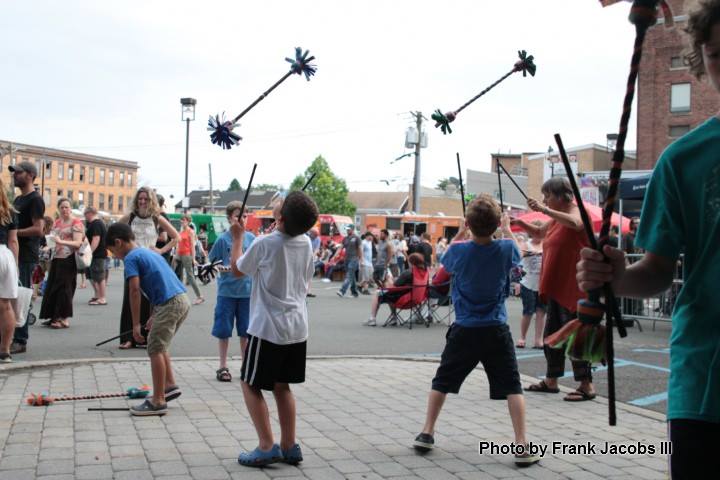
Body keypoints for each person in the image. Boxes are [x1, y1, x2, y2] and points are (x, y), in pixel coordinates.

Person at [578, 4, 719, 477]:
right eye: (717, 54)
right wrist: (617, 277)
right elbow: (657, 272)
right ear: (701, 60)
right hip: (706, 384)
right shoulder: (682, 160)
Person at [413, 196, 539, 467]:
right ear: (496, 224)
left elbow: (444, 262)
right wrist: (506, 228)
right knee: (513, 386)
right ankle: (521, 444)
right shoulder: (505, 247)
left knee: (442, 381)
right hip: (496, 327)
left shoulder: (458, 251)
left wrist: (460, 231)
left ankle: (427, 431)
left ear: (469, 223)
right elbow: (517, 254)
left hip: (465, 328)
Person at [230, 191, 318, 467]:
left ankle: (267, 445)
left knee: (249, 382)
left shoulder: (264, 243)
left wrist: (237, 239)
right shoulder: (305, 242)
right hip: (296, 327)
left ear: (279, 218)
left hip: (268, 327)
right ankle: (290, 445)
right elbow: (305, 278)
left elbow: (237, 269)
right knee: (283, 386)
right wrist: (274, 233)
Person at [513, 177, 594, 402]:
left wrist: (545, 210)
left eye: (547, 195)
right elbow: (539, 234)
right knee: (552, 336)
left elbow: (576, 224)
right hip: (558, 286)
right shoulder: (557, 219)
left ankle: (586, 385)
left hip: (575, 287)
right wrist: (517, 222)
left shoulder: (577, 212)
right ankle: (551, 380)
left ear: (561, 196)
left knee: (575, 336)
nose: (544, 199)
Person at [106, 222, 189, 416]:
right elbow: (159, 282)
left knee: (155, 348)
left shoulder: (131, 258)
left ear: (118, 243)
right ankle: (169, 385)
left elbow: (134, 291)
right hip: (180, 300)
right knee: (161, 344)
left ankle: (158, 400)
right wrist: (154, 314)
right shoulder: (148, 252)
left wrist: (135, 324)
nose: (113, 255)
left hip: (170, 304)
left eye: (112, 251)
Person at [118, 187, 178, 349]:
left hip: (150, 263)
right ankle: (129, 337)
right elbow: (115, 231)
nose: (142, 202)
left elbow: (175, 237)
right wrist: (122, 250)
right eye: (140, 199)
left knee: (150, 301)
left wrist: (160, 250)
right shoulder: (130, 217)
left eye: (145, 199)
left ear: (151, 200)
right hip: (132, 261)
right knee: (130, 298)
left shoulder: (157, 218)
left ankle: (146, 337)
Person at [208, 202, 255, 382]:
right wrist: (222, 268)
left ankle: (245, 365)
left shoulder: (251, 238)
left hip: (247, 293)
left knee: (246, 331)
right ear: (229, 219)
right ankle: (222, 365)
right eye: (237, 216)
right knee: (224, 329)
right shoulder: (222, 240)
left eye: (244, 216)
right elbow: (212, 263)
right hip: (226, 292)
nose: (241, 219)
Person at [8, 161, 45, 354]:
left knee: (20, 296)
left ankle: (20, 340)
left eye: (18, 172)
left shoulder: (35, 199)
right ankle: (11, 336)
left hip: (26, 255)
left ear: (30, 175)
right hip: (14, 254)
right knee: (11, 295)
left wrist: (12, 233)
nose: (15, 175)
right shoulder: (18, 199)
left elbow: (39, 229)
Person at [39, 198, 84, 329]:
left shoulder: (76, 223)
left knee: (64, 289)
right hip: (56, 258)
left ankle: (61, 318)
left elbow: (77, 243)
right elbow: (53, 240)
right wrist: (48, 247)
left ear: (70, 209)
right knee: (53, 287)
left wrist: (61, 242)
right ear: (58, 209)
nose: (64, 209)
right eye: (62, 207)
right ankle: (54, 316)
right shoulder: (57, 223)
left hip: (69, 258)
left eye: (66, 207)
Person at [364, 252, 426, 326]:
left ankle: (372, 319)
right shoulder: (425, 272)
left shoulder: (408, 273)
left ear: (412, 263)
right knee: (391, 293)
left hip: (405, 300)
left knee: (378, 293)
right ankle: (393, 318)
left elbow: (394, 286)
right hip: (418, 299)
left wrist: (388, 279)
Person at [515, 221, 546, 349]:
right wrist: (532, 253)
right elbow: (519, 254)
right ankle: (522, 337)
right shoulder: (526, 244)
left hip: (543, 284)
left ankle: (538, 340)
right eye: (535, 230)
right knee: (528, 312)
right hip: (528, 283)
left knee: (541, 311)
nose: (538, 233)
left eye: (541, 230)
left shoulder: (547, 244)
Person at [0, 178, 19, 362]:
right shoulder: (10, 212)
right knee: (5, 305)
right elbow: (13, 241)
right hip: (4, 255)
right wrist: (15, 265)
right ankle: (5, 350)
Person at [173, 215, 205, 305]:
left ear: (188, 221)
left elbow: (192, 246)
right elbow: (178, 243)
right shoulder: (181, 230)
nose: (181, 221)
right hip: (179, 254)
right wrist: (175, 253)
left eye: (183, 220)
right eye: (181, 220)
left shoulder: (191, 232)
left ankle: (200, 296)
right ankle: (177, 296)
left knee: (190, 276)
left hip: (187, 255)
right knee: (173, 272)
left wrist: (193, 259)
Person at [84, 207, 108, 306]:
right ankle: (97, 295)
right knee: (91, 275)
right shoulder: (95, 224)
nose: (85, 217)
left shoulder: (96, 224)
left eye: (85, 214)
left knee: (99, 276)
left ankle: (102, 297)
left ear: (90, 213)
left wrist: (90, 252)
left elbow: (96, 239)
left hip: (97, 254)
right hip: (96, 254)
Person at [337, 225, 361, 298]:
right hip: (347, 259)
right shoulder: (345, 238)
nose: (347, 231)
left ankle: (342, 291)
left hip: (354, 259)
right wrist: (335, 256)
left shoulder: (356, 238)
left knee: (349, 275)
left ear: (353, 230)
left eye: (349, 229)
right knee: (352, 276)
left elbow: (360, 249)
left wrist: (361, 259)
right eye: (347, 230)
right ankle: (354, 292)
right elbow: (340, 248)